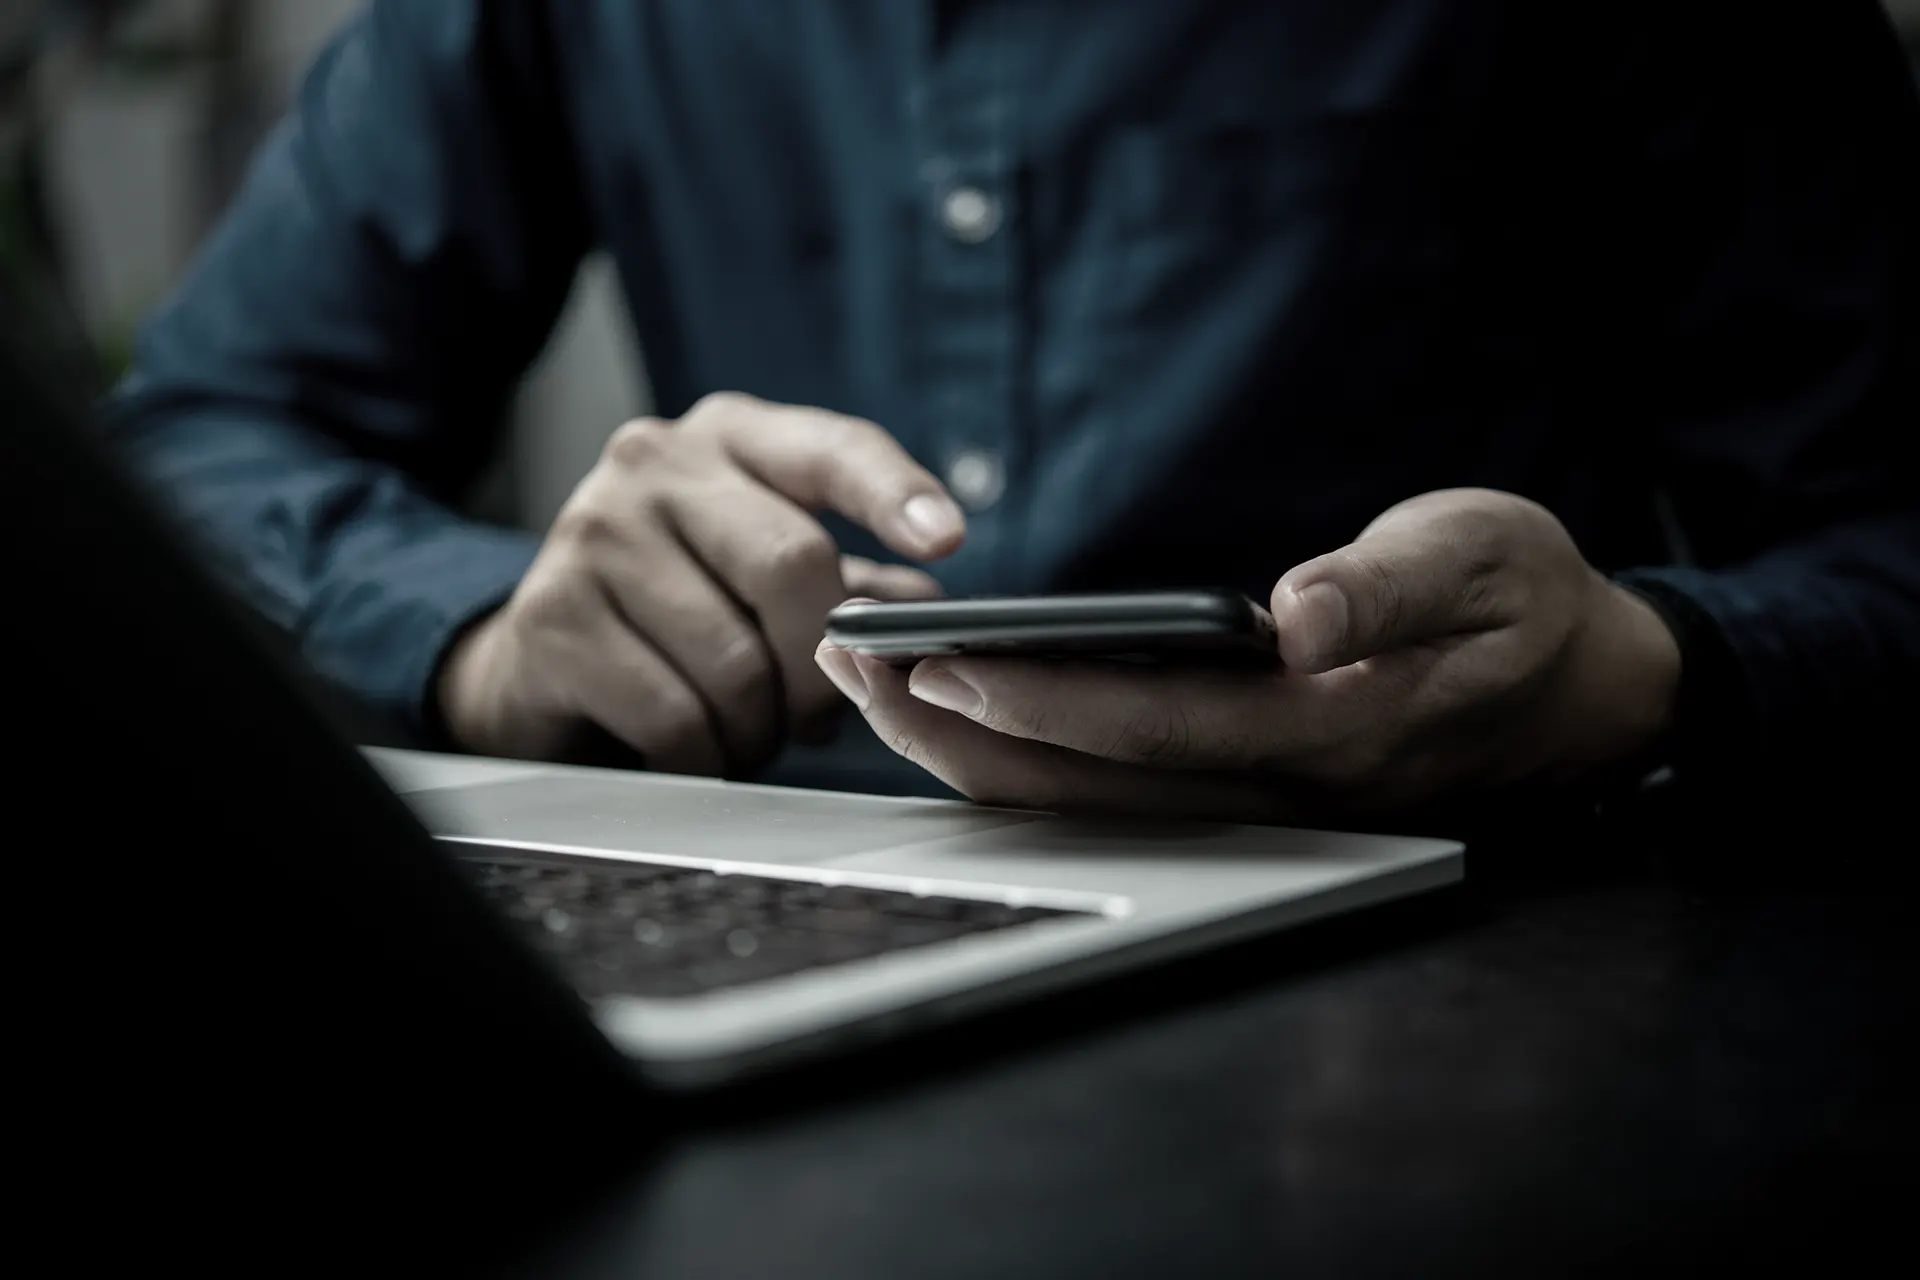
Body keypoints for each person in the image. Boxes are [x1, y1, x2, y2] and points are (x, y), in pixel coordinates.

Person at [106, 0, 1920, 825]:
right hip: (802, 883)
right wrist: (491, 637)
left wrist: (1642, 675)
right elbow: (196, 437)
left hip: (1476, 946)